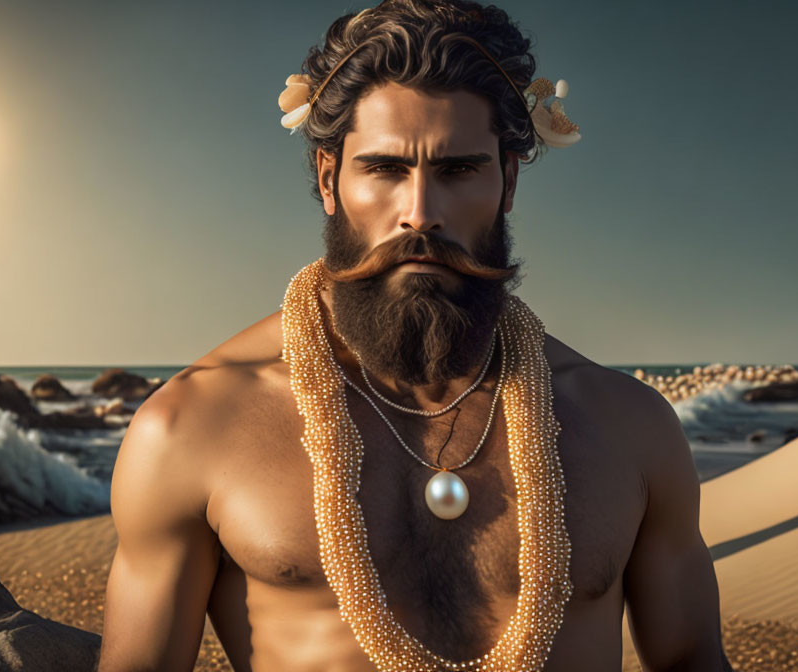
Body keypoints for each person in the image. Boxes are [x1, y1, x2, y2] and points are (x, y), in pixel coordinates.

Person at [98, 1, 734, 670]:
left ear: (508, 180)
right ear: (327, 179)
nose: (421, 213)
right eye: (385, 168)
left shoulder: (629, 428)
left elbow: (693, 659)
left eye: (458, 171)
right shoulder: (190, 428)